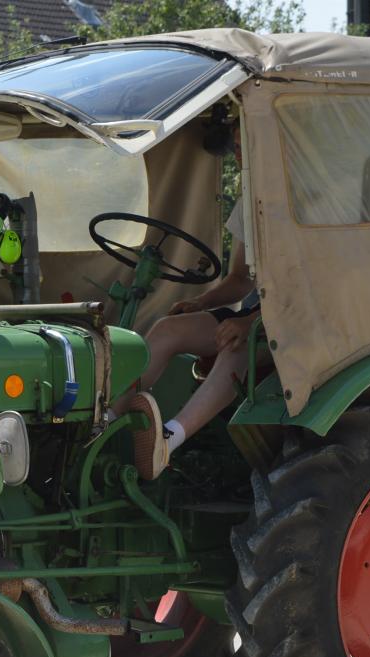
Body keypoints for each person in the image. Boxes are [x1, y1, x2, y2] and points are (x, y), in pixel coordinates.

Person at [117, 114, 260, 480]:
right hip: (256, 308)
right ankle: (107, 424)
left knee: (236, 344)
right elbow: (241, 279)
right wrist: (202, 303)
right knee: (168, 328)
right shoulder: (250, 197)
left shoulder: (300, 202)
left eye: (250, 148)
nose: (242, 159)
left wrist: (247, 322)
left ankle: (168, 438)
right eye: (238, 150)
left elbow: (304, 290)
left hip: (296, 318)